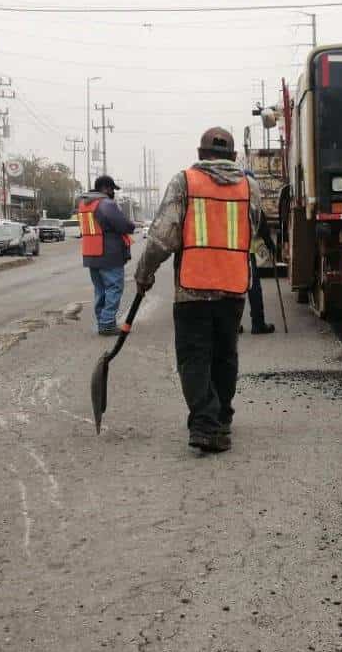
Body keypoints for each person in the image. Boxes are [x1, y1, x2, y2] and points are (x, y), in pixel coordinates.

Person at [134, 127, 262, 453]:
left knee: (194, 357)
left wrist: (144, 272)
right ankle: (222, 416)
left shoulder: (185, 181)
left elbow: (164, 236)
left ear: (200, 154)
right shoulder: (250, 186)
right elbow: (254, 226)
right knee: (225, 355)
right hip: (233, 287)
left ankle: (206, 425)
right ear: (233, 157)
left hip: (193, 288)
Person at [76, 175, 134, 336]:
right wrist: (132, 225)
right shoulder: (106, 204)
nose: (113, 193)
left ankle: (102, 321)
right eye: (112, 189)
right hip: (109, 254)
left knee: (100, 290)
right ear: (106, 188)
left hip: (91, 253)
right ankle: (107, 323)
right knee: (114, 288)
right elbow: (124, 225)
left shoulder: (84, 204)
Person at [244, 212, 277, 335]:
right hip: (248, 249)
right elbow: (259, 219)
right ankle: (258, 324)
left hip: (229, 249)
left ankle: (232, 325)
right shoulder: (250, 195)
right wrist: (269, 242)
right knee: (254, 287)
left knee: (232, 289)